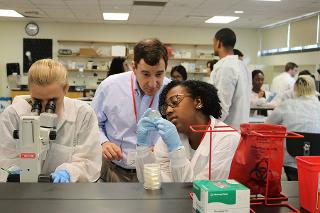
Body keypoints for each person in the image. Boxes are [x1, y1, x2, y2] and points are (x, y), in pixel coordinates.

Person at [0, 59, 102, 183]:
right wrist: (14, 172)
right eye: (37, 100)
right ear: (29, 90)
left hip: (67, 192)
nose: (44, 108)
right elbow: (5, 160)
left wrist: (69, 173)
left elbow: (90, 162)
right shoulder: (12, 116)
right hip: (23, 190)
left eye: (52, 101)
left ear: (66, 89)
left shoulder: (82, 114)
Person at [92, 38, 171, 182]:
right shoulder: (109, 87)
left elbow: (179, 128)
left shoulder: (172, 91)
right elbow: (93, 124)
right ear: (134, 68)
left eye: (159, 74)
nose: (153, 83)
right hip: (114, 169)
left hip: (156, 171)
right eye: (146, 74)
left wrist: (163, 147)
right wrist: (104, 142)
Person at [135, 80, 240, 182]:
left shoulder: (227, 139)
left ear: (198, 102)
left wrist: (176, 150)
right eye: (165, 107)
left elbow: (202, 191)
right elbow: (152, 181)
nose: (168, 110)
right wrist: (142, 147)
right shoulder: (170, 137)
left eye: (174, 102)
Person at [266, 75, 320, 181]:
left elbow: (268, 125)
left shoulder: (287, 105)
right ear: (314, 89)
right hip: (316, 161)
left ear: (294, 89)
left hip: (291, 161)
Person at [210, 28, 251, 130]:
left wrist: (209, 127)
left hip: (227, 131)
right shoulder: (242, 65)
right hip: (240, 128)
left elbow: (221, 106)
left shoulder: (225, 67)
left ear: (218, 43)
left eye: (213, 42)